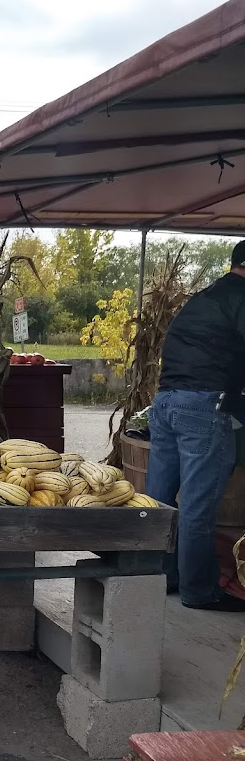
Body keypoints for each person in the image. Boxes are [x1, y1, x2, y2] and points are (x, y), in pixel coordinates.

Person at [147, 239, 245, 612]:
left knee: (158, 500)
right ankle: (199, 591)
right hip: (204, 406)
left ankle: (162, 576)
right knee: (197, 508)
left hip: (166, 402)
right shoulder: (241, 297)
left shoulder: (206, 297)